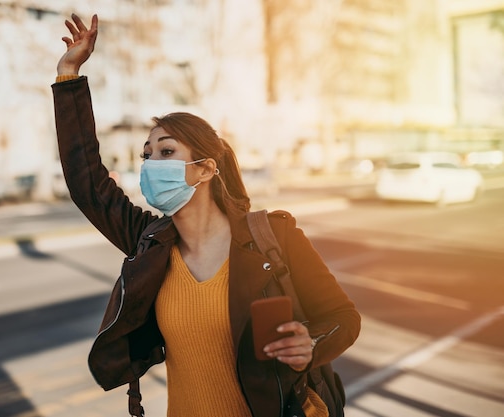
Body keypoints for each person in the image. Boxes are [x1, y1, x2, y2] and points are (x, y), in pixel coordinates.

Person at [52, 13, 360, 417]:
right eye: (146, 155)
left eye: (166, 152)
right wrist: (68, 74)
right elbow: (87, 185)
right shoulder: (150, 242)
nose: (150, 164)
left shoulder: (273, 237)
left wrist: (311, 344)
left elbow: (342, 317)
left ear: (205, 168)